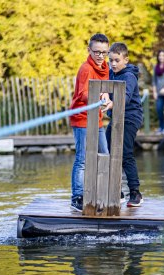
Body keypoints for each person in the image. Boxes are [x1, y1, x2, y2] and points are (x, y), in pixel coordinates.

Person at [70, 33, 111, 212]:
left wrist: (108, 99)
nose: (100, 56)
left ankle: (106, 191)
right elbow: (82, 94)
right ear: (89, 50)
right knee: (83, 158)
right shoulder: (86, 68)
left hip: (98, 119)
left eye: (104, 52)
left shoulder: (106, 68)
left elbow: (108, 90)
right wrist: (99, 96)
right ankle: (77, 196)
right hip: (82, 119)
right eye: (96, 52)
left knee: (105, 154)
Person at [104, 42, 143, 207]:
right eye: (111, 60)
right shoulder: (111, 73)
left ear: (125, 60)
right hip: (117, 117)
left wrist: (113, 103)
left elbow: (125, 97)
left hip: (131, 117)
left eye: (117, 60)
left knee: (125, 153)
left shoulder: (129, 76)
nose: (113, 64)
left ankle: (135, 192)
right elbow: (105, 87)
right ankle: (116, 191)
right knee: (106, 149)